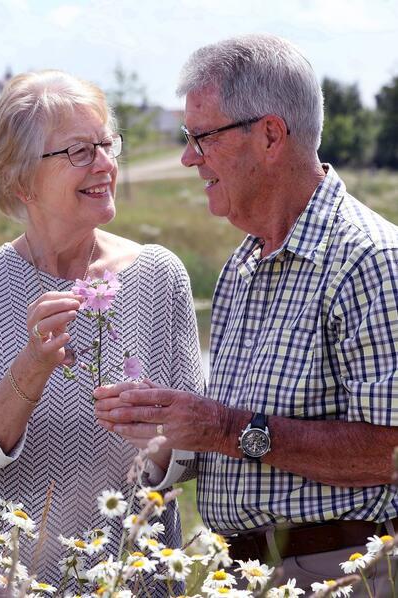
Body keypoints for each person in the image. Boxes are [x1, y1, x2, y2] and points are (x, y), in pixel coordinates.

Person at [95, 34, 398, 595]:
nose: (188, 157)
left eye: (202, 137)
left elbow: (390, 450)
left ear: (270, 136)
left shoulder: (370, 260)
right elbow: (236, 436)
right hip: (248, 573)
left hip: (342, 571)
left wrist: (223, 428)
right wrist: (169, 427)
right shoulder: (242, 264)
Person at [0, 70, 204, 586]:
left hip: (134, 579)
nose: (106, 164)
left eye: (107, 144)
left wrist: (162, 438)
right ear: (20, 180)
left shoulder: (160, 274)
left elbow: (194, 452)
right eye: (80, 151)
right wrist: (32, 366)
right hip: (9, 582)